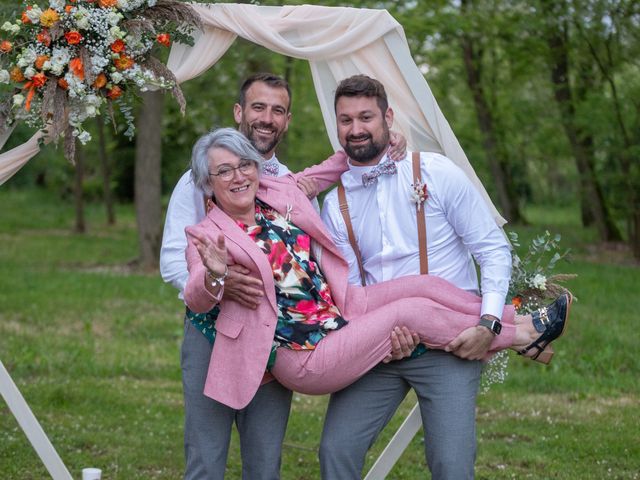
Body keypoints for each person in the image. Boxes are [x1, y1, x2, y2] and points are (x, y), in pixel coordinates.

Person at [183, 127, 571, 406]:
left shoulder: (277, 193)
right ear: (207, 183)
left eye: (244, 165)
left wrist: (386, 138)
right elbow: (197, 294)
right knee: (410, 311)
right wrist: (216, 274)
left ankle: (513, 319)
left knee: (425, 285)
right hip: (305, 353)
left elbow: (333, 166)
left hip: (339, 310)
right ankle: (522, 335)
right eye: (224, 171)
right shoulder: (206, 235)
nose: (238, 177)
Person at [159, 73, 410, 480]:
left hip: (275, 339)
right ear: (240, 111)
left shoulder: (285, 183)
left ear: (287, 120)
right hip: (212, 336)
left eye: (277, 110)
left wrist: (383, 141)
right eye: (258, 107)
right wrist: (221, 285)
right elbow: (174, 260)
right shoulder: (200, 174)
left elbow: (328, 178)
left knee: (265, 461)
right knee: (206, 459)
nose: (267, 118)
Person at [318, 74, 545, 479]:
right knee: (336, 449)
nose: (355, 129)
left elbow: (492, 250)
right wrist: (375, 336)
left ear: (388, 117)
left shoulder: (436, 172)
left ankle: (516, 329)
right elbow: (351, 291)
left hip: (453, 345)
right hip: (382, 348)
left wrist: (488, 324)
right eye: (345, 120)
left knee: (451, 465)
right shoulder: (334, 205)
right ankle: (527, 332)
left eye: (366, 117)